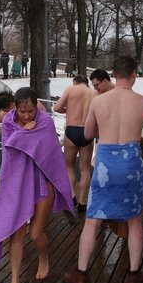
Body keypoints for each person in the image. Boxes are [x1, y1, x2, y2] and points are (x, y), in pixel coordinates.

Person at [64, 56, 143, 283]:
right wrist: (141, 139)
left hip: (105, 165)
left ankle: (80, 274)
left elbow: (89, 134)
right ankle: (133, 275)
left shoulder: (99, 101)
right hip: (131, 163)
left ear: (114, 73)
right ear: (134, 75)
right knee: (134, 221)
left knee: (93, 220)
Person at [0, 87, 74, 283]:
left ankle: (44, 255)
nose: (27, 116)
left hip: (43, 182)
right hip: (18, 183)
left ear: (36, 106)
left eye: (30, 111)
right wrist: (25, 130)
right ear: (14, 108)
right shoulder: (8, 122)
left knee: (35, 234)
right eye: (22, 111)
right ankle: (15, 281)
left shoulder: (45, 122)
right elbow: (10, 147)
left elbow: (50, 153)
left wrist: (27, 132)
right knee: (16, 235)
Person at [53, 75, 96, 212]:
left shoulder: (71, 90)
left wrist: (69, 110)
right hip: (87, 132)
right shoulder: (93, 93)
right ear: (86, 83)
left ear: (75, 82)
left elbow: (57, 108)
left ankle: (72, 196)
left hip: (72, 131)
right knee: (85, 169)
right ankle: (83, 202)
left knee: (69, 166)